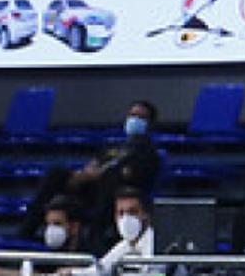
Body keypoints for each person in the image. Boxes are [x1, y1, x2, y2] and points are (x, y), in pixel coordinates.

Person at [18, 100, 162, 248]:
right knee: (57, 174)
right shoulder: (114, 150)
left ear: (149, 123)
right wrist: (82, 176)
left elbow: (132, 176)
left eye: (140, 117)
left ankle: (94, 240)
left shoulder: (148, 154)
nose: (134, 120)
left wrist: (105, 173)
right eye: (132, 115)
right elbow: (93, 166)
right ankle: (26, 232)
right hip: (91, 190)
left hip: (118, 195)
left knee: (111, 178)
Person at [64, 188, 160, 276]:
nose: (126, 218)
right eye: (121, 213)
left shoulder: (157, 242)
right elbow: (101, 270)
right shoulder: (124, 245)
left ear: (145, 215)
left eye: (132, 212)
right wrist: (72, 273)